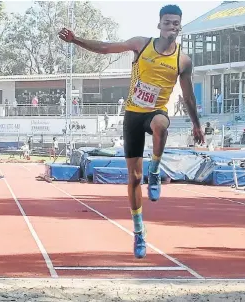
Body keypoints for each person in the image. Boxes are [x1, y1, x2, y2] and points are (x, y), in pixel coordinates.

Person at [58, 4, 204, 259]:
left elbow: (189, 97)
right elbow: (105, 47)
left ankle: (156, 169)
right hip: (133, 116)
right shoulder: (141, 45)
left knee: (161, 124)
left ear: (180, 26)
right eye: (167, 22)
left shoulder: (183, 60)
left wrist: (196, 124)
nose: (172, 26)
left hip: (155, 112)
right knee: (134, 178)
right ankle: (139, 230)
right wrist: (75, 40)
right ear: (159, 25)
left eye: (176, 23)